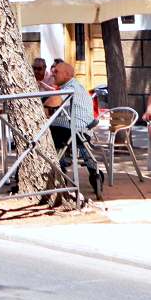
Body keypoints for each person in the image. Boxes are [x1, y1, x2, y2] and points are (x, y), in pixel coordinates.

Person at [47, 61, 104, 198]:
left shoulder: (69, 87)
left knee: (40, 135)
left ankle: (58, 173)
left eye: (56, 72)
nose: (53, 74)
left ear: (67, 74)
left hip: (72, 131)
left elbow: (53, 102)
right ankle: (93, 173)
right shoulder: (77, 86)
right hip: (84, 131)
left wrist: (41, 103)